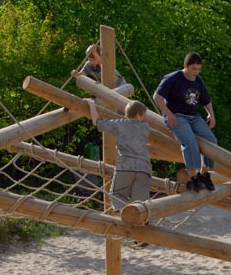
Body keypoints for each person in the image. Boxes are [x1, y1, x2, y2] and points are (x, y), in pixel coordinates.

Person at [153, 52, 217, 192]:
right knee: (190, 141)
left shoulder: (198, 80)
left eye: (198, 69)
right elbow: (157, 97)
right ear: (185, 66)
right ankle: (192, 178)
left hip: (193, 116)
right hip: (177, 115)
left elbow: (207, 100)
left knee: (212, 140)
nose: (196, 72)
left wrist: (211, 115)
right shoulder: (173, 78)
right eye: (193, 69)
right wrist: (169, 114)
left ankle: (204, 174)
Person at [86, 98, 152, 214]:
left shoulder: (119, 124)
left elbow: (97, 122)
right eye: (144, 115)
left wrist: (91, 104)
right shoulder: (145, 127)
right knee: (141, 202)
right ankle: (141, 219)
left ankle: (125, 212)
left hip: (125, 166)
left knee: (116, 194)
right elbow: (142, 121)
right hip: (144, 168)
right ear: (138, 114)